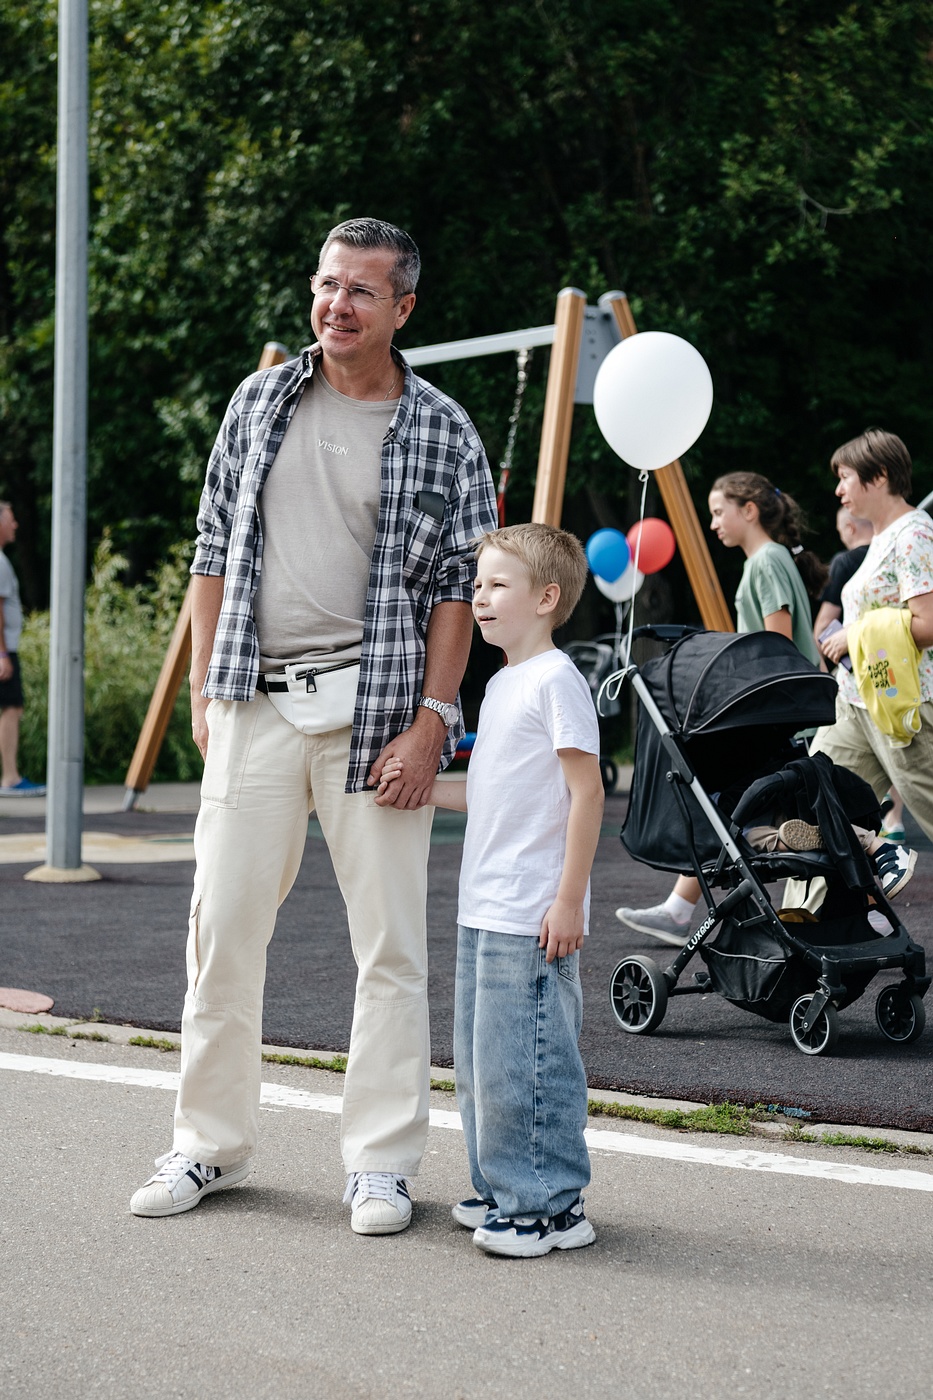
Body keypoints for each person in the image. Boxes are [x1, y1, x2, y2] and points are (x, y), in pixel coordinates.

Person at [130, 218, 498, 1232]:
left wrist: (432, 722)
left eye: (361, 292)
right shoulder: (260, 399)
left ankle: (379, 1163)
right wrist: (206, 689)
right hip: (253, 700)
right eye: (327, 285)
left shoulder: (443, 428)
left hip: (378, 714)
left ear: (403, 309)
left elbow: (457, 591)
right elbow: (213, 544)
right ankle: (206, 1143)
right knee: (222, 933)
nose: (337, 305)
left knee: (389, 947)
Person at [380, 523, 604, 1257]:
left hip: (531, 911)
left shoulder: (555, 680)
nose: (478, 596)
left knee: (527, 1062)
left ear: (546, 597)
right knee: (481, 1067)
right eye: (476, 584)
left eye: (496, 584)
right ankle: (503, 1188)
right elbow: (490, 791)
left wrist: (568, 898)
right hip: (484, 908)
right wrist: (413, 787)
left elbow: (586, 793)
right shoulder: (504, 683)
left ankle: (546, 1205)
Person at [616, 472, 826, 946]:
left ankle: (680, 909)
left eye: (718, 511)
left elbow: (778, 645)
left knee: (726, 799)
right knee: (733, 805)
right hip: (780, 708)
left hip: (775, 708)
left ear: (748, 510)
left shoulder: (766, 560)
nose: (713, 524)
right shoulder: (769, 560)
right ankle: (679, 908)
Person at [813, 428, 933, 841]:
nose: (838, 489)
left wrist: (855, 636)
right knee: (815, 808)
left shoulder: (914, 534)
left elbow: (929, 624)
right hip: (854, 700)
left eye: (845, 477)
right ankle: (812, 909)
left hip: (903, 706)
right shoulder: (883, 536)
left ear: (878, 476)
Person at [0, 502, 45, 797]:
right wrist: (2, 654)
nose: (15, 525)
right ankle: (10, 777)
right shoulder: (0, 562)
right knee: (11, 708)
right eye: (10, 519)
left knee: (10, 707)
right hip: (4, 649)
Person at [812, 506, 873, 655]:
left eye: (840, 532)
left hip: (862, 654)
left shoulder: (844, 562)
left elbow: (825, 623)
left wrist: (815, 661)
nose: (841, 538)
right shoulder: (890, 550)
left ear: (850, 527)